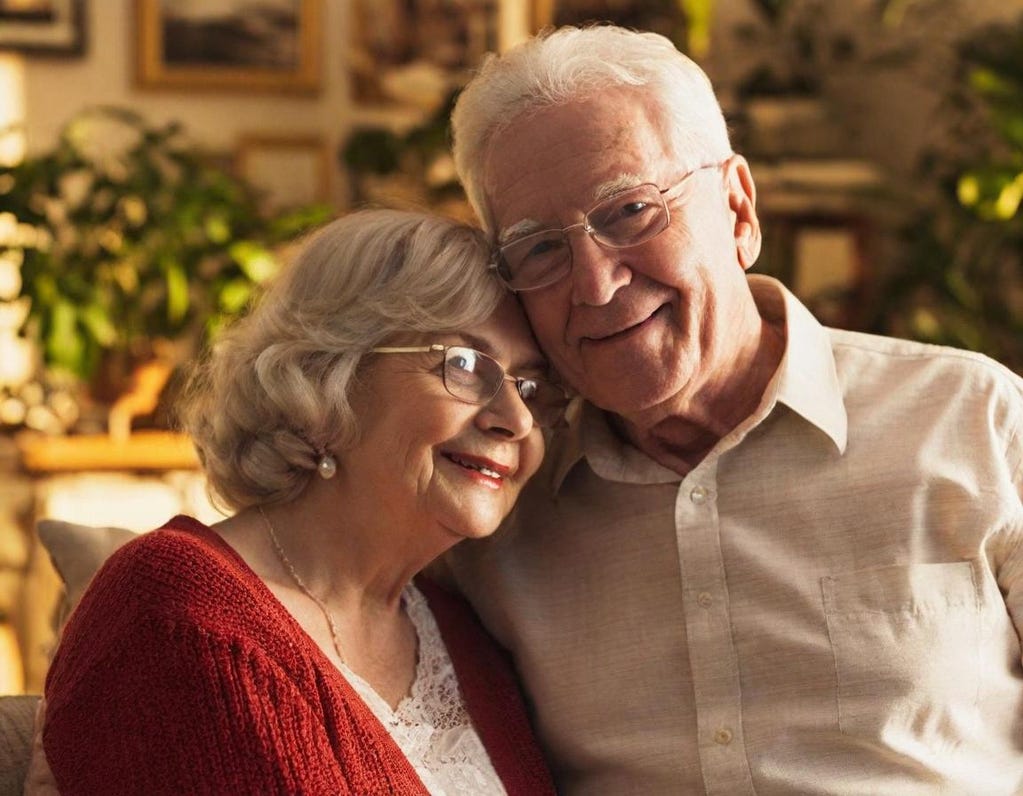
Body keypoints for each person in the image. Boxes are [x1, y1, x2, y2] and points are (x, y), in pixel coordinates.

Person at [443, 23, 1023, 794]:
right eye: (540, 249)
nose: (595, 284)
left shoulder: (973, 419)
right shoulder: (499, 504)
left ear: (738, 209)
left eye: (629, 212)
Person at [40, 209, 561, 795]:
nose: (516, 420)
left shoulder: (453, 625)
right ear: (330, 374)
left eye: (531, 387)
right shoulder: (178, 614)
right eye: (465, 365)